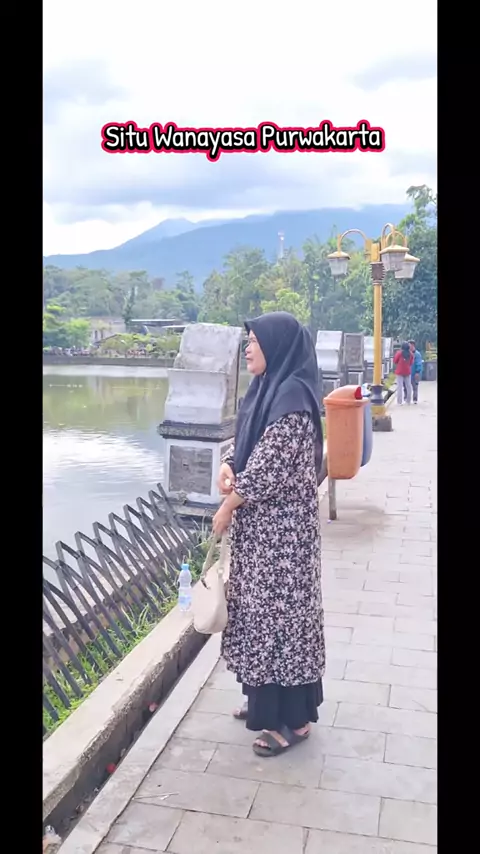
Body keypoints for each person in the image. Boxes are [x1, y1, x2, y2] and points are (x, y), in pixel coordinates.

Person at [212, 311, 325, 758]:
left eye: (255, 341)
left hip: (284, 543)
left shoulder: (292, 399)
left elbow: (267, 469)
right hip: (260, 537)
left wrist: (227, 506)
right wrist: (227, 466)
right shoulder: (264, 390)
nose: (248, 349)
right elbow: (245, 447)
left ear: (277, 347)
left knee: (281, 625)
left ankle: (292, 721)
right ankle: (262, 701)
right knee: (257, 621)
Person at [394, 341, 414, 405]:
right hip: (407, 371)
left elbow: (395, 361)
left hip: (399, 371)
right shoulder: (411, 354)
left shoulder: (399, 353)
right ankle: (408, 401)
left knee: (399, 387)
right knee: (408, 386)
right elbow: (411, 363)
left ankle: (399, 402)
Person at [408, 340, 423, 404]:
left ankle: (415, 399)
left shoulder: (417, 354)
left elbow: (419, 363)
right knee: (407, 387)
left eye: (409, 345)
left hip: (415, 373)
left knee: (415, 387)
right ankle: (406, 398)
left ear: (413, 345)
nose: (408, 347)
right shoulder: (408, 353)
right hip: (408, 373)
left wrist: (417, 372)